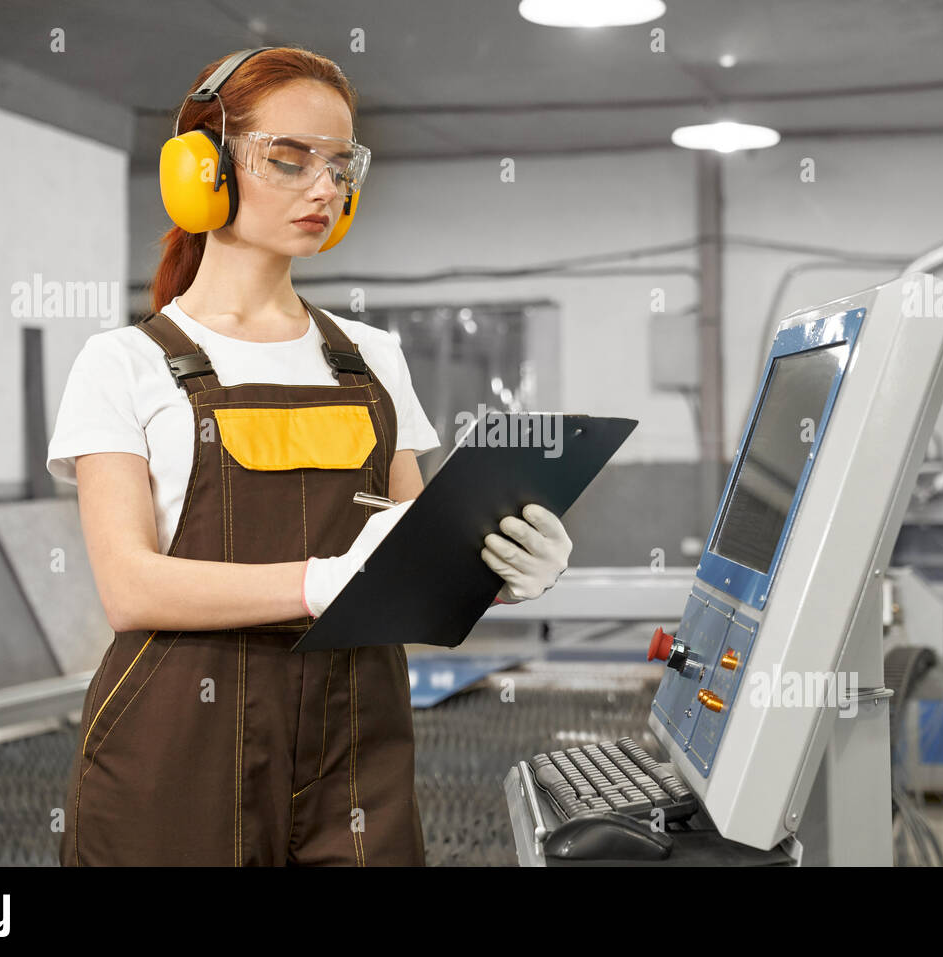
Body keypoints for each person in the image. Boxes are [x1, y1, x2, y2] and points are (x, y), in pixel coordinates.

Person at [45, 46, 572, 866]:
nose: (324, 188)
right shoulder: (125, 363)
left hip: (354, 746)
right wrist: (319, 581)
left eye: (340, 165)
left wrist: (496, 569)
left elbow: (411, 554)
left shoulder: (370, 359)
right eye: (288, 161)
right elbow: (129, 585)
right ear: (202, 170)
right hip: (178, 745)